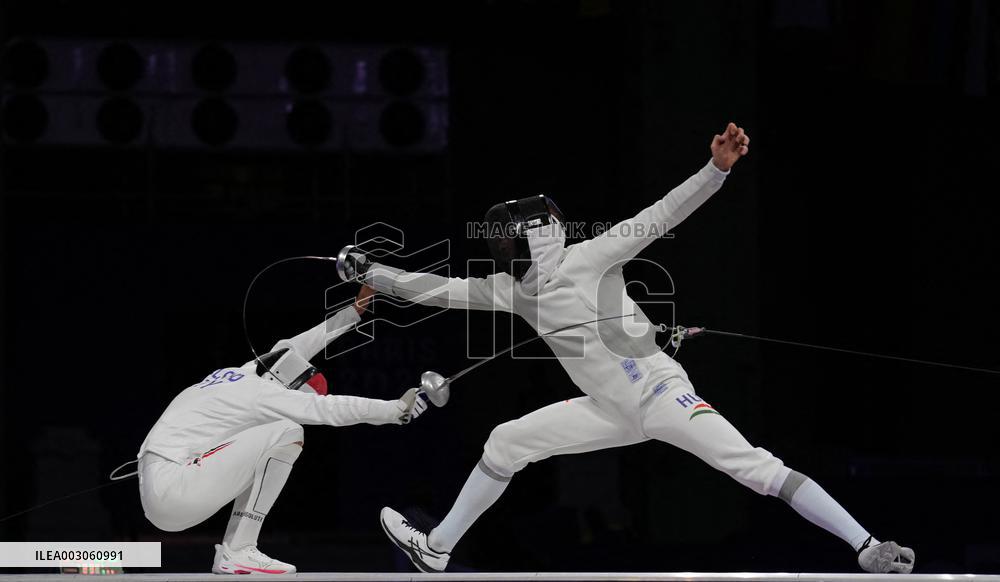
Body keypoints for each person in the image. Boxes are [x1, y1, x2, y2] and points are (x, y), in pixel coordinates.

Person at [345, 123, 914, 574]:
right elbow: (437, 289)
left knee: (756, 469)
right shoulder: (510, 291)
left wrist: (715, 170)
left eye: (508, 242)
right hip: (608, 408)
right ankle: (438, 548)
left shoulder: (592, 255)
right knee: (507, 441)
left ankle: (865, 545)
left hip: (662, 393)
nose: (501, 252)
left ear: (535, 242)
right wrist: (370, 270)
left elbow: (662, 213)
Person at [137, 285, 427, 574]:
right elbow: (329, 409)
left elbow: (291, 350)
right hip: (175, 490)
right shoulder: (261, 394)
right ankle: (238, 550)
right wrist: (393, 411)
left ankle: (235, 551)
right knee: (288, 430)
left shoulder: (244, 373)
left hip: (162, 485)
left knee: (270, 436)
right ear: (285, 388)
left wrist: (355, 310)